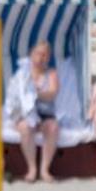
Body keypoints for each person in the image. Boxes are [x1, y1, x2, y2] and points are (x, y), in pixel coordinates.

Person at [9, 42, 60, 183]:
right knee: (26, 127)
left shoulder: (51, 74)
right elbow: (15, 95)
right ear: (31, 55)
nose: (41, 57)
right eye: (38, 54)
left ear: (49, 57)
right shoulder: (23, 75)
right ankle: (32, 168)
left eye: (45, 55)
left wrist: (34, 93)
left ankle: (45, 169)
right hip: (25, 114)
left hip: (44, 115)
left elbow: (52, 93)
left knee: (53, 127)